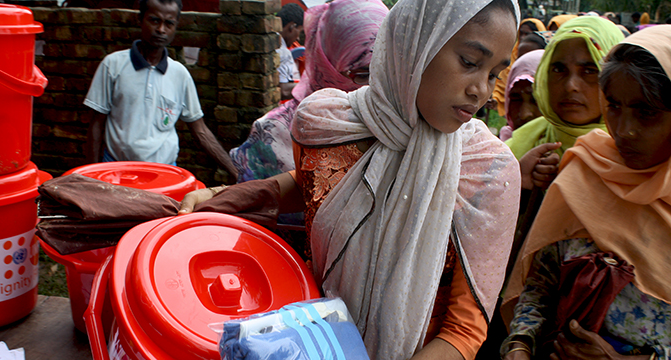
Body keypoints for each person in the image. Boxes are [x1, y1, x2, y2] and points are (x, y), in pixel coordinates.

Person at [180, 0, 522, 358]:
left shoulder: (487, 170)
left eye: (495, 73)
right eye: (469, 62)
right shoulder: (332, 126)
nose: (481, 90)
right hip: (310, 343)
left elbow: (464, 331)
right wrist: (226, 197)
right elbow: (319, 185)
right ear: (414, 45)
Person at [501, 25, 671, 360]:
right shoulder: (584, 170)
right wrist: (520, 345)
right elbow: (541, 285)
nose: (624, 129)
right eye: (613, 106)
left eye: (646, 112)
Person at [230, 0, 389, 183]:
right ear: (326, 65)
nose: (376, 86)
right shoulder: (273, 134)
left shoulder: (399, 124)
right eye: (364, 74)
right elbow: (255, 204)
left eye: (387, 73)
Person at [84, 0, 237, 179]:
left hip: (164, 173)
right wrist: (91, 176)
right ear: (140, 20)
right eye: (154, 20)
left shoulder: (180, 74)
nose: (161, 29)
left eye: (169, 23)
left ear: (175, 27)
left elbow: (200, 130)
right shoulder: (113, 65)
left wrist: (235, 171)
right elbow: (96, 124)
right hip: (117, 170)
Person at [505, 16, 624, 192]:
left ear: (615, 79)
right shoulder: (514, 152)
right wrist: (514, 185)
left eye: (590, 71)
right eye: (559, 70)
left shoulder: (635, 155)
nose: (571, 86)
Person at [493, 18, 546, 118]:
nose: (523, 37)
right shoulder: (511, 55)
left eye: (534, 100)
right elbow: (502, 82)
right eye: (521, 33)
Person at [499, 50, 543, 141]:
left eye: (535, 100)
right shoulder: (500, 150)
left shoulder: (576, 149)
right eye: (515, 99)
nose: (524, 114)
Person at [276, 3, 304, 100]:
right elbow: (284, 90)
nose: (298, 38)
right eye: (299, 32)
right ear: (292, 26)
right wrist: (314, 87)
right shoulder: (283, 51)